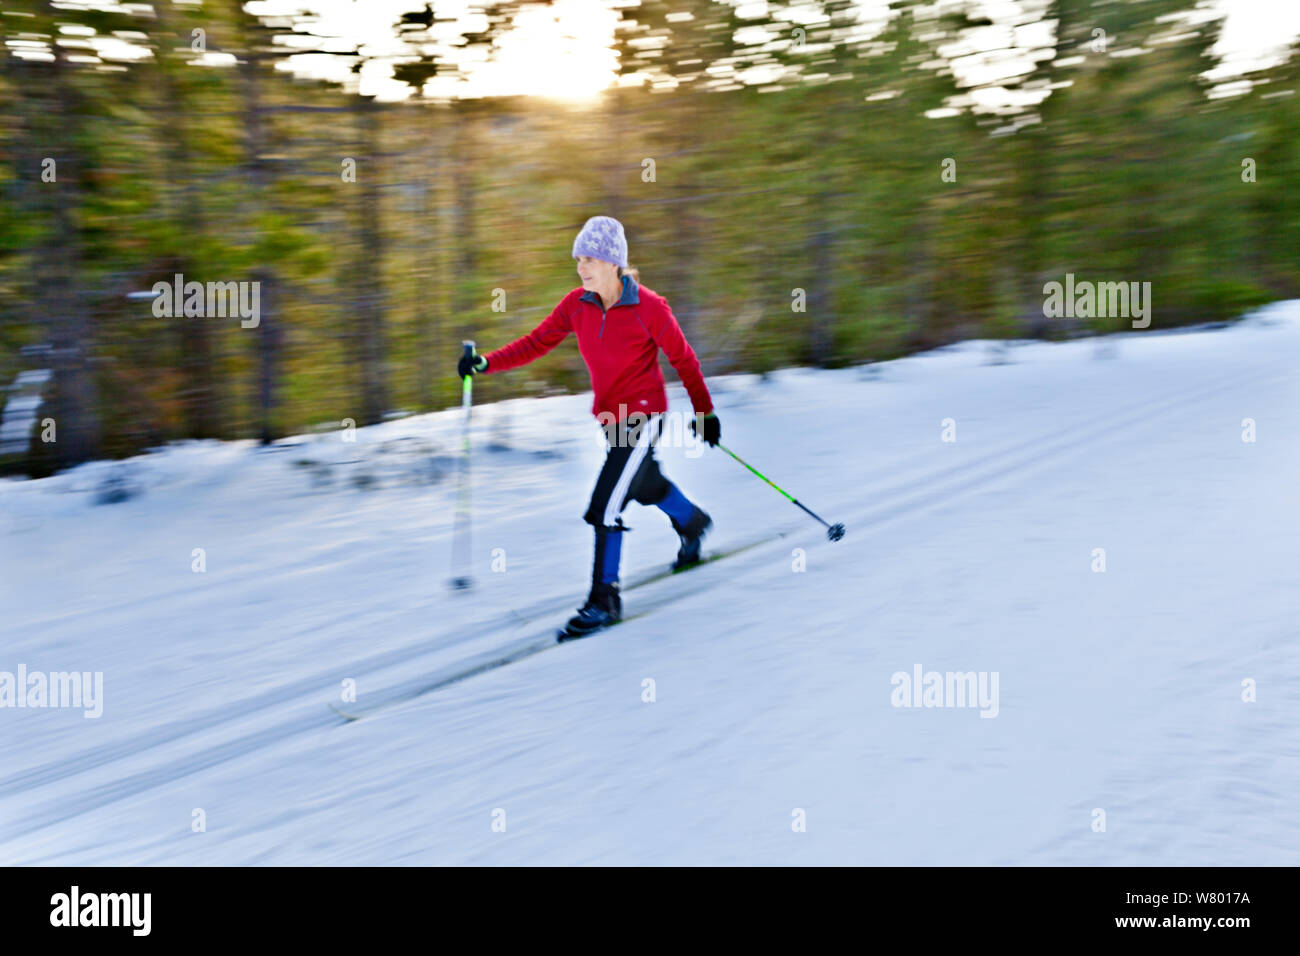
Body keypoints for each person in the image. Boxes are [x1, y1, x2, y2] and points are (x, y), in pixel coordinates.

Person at [457, 215, 721, 638]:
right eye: (579, 258)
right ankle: (692, 522)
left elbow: (684, 360)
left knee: (606, 505)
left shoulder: (649, 308)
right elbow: (536, 342)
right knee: (644, 484)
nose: (582, 267)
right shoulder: (575, 305)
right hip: (609, 418)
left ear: (614, 262)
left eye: (591, 258)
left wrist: (705, 414)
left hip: (643, 415)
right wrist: (486, 363)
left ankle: (604, 599)